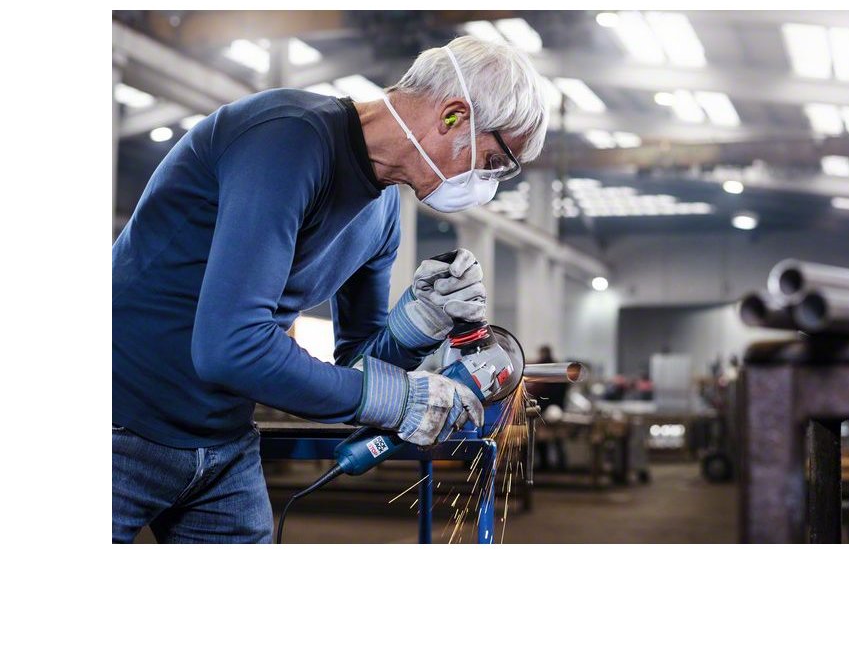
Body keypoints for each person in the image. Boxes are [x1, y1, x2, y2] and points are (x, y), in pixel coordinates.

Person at [112, 36, 549, 543]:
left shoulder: (383, 213)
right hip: (120, 422)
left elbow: (357, 366)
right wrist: (398, 398)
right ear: (453, 116)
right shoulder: (285, 139)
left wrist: (417, 323)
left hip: (222, 442)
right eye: (493, 162)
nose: (486, 184)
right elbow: (230, 348)